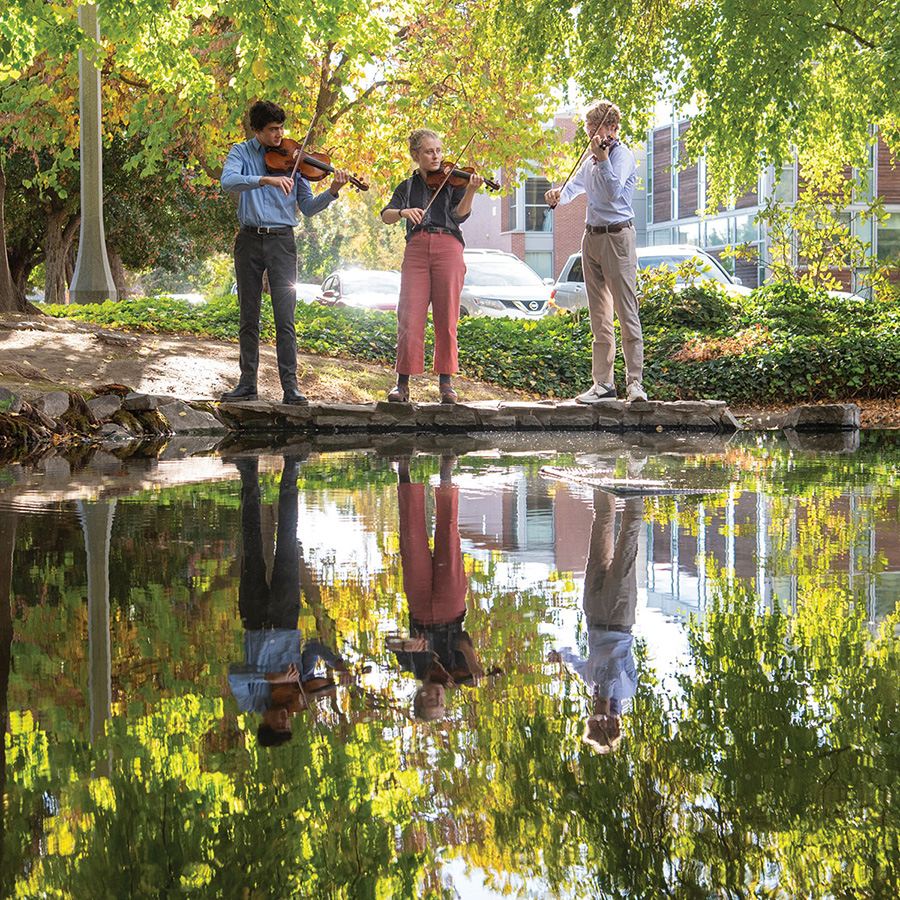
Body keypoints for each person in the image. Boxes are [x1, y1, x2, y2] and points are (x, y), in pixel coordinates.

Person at [220, 101, 350, 405]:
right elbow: (228, 182)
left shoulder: (295, 160)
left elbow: (306, 207)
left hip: (282, 241)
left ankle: (290, 388)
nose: (279, 135)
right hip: (249, 239)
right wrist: (265, 179)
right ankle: (246, 384)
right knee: (248, 315)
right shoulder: (241, 152)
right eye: (272, 130)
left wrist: (332, 192)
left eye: (281, 128)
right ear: (257, 130)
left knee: (285, 319)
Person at [226, 455, 349, 746]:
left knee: (252, 541)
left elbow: (235, 676)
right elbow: (313, 648)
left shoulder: (249, 702)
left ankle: (248, 472)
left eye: (279, 725)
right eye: (288, 724)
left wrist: (271, 678)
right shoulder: (300, 691)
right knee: (288, 536)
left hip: (254, 618)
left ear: (264, 724)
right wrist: (337, 662)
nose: (285, 719)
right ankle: (291, 469)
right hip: (285, 615)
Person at [545, 100, 648, 404]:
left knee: (626, 311)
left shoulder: (622, 155)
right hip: (591, 238)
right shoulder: (590, 159)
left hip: (618, 237)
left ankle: (635, 383)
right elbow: (574, 188)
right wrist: (558, 195)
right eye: (589, 126)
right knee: (599, 316)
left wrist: (602, 160)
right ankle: (603, 383)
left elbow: (615, 194)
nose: (591, 131)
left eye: (597, 126)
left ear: (613, 128)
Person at [380, 129, 484, 404]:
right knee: (409, 315)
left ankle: (446, 384)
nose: (436, 156)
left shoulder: (451, 183)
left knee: (447, 317)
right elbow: (386, 215)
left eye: (438, 150)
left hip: (448, 245)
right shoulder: (407, 186)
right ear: (416, 156)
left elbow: (459, 216)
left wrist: (471, 190)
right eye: (429, 151)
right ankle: (402, 384)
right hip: (416, 248)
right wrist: (404, 212)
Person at [386, 455, 485, 720]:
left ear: (419, 697)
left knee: (411, 537)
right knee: (449, 536)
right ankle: (445, 474)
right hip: (451, 607)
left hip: (418, 606)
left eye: (431, 702)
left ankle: (404, 471)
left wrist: (407, 646)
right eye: (441, 704)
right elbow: (463, 638)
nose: (438, 698)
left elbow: (389, 643)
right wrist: (473, 661)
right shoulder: (457, 670)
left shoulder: (411, 667)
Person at [550, 493, 643, 753]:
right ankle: (635, 470)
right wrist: (604, 695)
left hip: (593, 614)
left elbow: (576, 661)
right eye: (601, 721)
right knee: (628, 539)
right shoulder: (625, 692)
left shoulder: (591, 683)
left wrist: (560, 656)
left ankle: (602, 470)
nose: (596, 714)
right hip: (618, 617)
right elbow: (614, 663)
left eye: (592, 719)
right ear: (614, 723)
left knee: (600, 528)